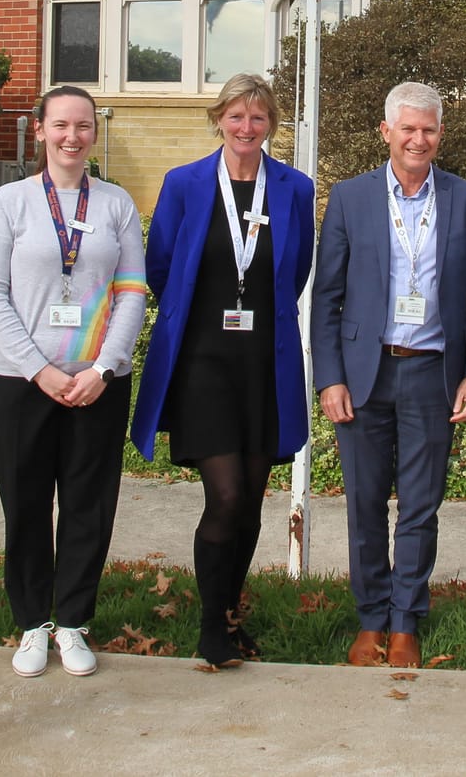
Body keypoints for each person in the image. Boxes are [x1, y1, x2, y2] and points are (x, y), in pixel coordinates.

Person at [312, 82, 466, 670]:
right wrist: (330, 378)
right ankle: (371, 618)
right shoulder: (350, 198)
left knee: (419, 506)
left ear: (441, 134)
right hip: (365, 377)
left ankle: (404, 620)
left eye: (430, 129)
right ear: (386, 132)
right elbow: (328, 298)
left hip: (432, 376)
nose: (419, 139)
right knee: (365, 503)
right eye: (408, 129)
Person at [131, 73, 314, 669]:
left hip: (264, 366)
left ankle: (233, 614)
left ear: (271, 126)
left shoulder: (294, 188)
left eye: (258, 118)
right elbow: (160, 264)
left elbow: (297, 272)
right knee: (227, 496)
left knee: (255, 500)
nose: (246, 128)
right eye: (236, 116)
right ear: (218, 119)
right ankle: (211, 625)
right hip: (203, 363)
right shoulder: (184, 184)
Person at [0, 86, 146, 681]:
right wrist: (39, 369)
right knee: (24, 503)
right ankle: (31, 623)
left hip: (97, 386)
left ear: (93, 133)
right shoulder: (11, 202)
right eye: (60, 126)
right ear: (41, 130)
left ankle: (72, 621)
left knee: (87, 505)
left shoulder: (117, 204)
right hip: (22, 381)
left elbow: (131, 292)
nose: (71, 137)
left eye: (82, 127)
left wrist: (104, 368)